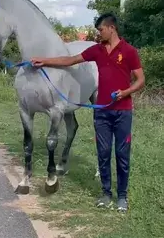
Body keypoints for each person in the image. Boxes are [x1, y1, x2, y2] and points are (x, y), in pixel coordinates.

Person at [30, 13, 145, 212]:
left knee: (121, 154)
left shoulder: (129, 51)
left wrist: (125, 92)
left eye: (101, 30)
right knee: (103, 154)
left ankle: (122, 197)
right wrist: (44, 61)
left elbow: (141, 80)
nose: (98, 34)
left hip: (122, 112)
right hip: (102, 113)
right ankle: (106, 193)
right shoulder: (97, 51)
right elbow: (70, 60)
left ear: (111, 28)